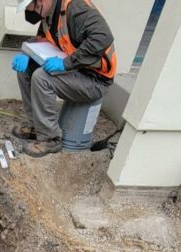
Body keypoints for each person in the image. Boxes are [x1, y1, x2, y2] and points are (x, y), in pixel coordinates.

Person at [12, 0, 117, 157]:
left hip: (95, 79)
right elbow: (42, 39)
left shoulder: (75, 8)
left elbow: (103, 37)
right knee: (25, 70)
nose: (29, 12)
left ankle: (50, 139)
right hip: (76, 70)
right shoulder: (49, 13)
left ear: (40, 1)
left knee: (42, 77)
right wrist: (26, 53)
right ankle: (37, 127)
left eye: (29, 7)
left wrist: (66, 63)